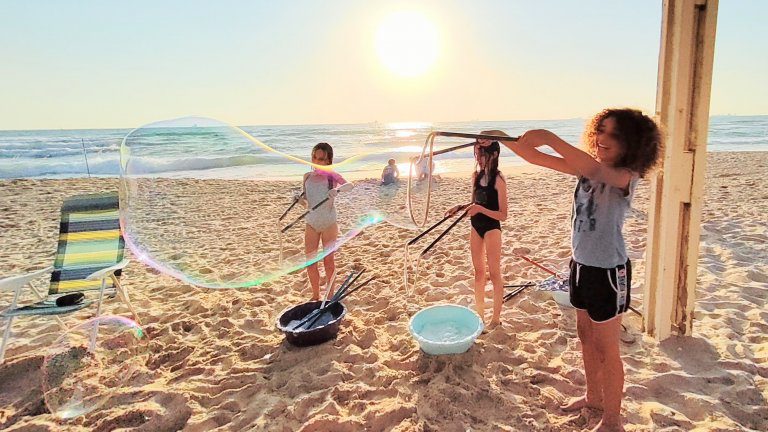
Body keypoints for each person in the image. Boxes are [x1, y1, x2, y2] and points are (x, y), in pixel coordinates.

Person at [481, 108, 662, 432]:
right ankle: (593, 398)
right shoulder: (586, 170)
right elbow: (533, 157)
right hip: (581, 265)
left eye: (614, 135)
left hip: (609, 271)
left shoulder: (625, 176)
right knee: (585, 335)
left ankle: (612, 419)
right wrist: (498, 136)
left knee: (608, 347)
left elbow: (591, 165)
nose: (602, 139)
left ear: (632, 144)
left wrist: (550, 137)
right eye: (600, 131)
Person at [446, 142, 508, 327]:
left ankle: (495, 319)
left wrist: (480, 209)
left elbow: (503, 215)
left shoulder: (498, 179)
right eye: (476, 155)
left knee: (494, 273)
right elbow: (474, 202)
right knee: (479, 273)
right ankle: (479, 316)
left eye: (482, 154)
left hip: (491, 227)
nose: (479, 159)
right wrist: (458, 208)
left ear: (494, 154)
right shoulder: (475, 176)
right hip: (476, 227)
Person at [301, 143, 347, 301]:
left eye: (320, 158)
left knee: (328, 261)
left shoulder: (332, 176)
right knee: (310, 261)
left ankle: (330, 294)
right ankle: (315, 295)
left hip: (329, 222)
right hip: (311, 222)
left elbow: (350, 185)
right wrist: (299, 200)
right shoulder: (307, 176)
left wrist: (337, 190)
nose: (316, 161)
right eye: (314, 157)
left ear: (328, 160)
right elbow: (307, 200)